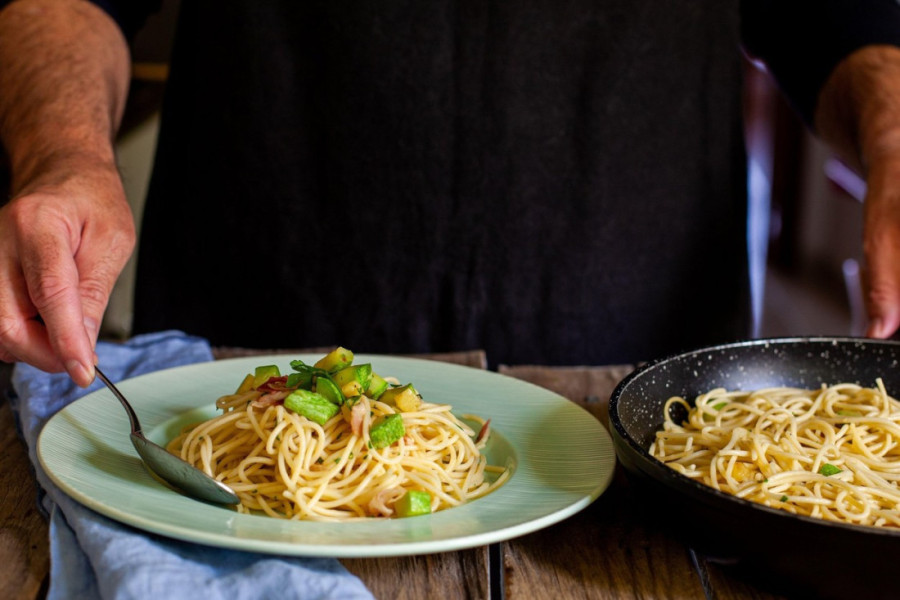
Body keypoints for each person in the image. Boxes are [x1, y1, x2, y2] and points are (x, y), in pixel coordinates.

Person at [1, 0, 900, 389]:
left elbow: (835, 9)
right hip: (255, 295)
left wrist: (893, 133)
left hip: (632, 329)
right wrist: (62, 150)